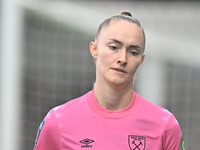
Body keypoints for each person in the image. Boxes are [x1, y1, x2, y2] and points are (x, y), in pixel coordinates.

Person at [33, 11, 186, 150]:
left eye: (133, 52)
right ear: (94, 49)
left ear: (141, 60)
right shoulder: (57, 122)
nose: (122, 59)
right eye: (114, 47)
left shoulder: (165, 125)